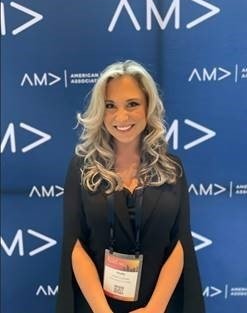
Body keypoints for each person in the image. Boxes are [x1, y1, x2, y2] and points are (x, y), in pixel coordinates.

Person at [56, 60, 205, 313]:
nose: (121, 117)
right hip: (96, 306)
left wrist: (154, 309)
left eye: (132, 104)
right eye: (110, 106)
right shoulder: (81, 168)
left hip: (159, 305)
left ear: (148, 108)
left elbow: (180, 243)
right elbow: (76, 244)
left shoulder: (172, 168)